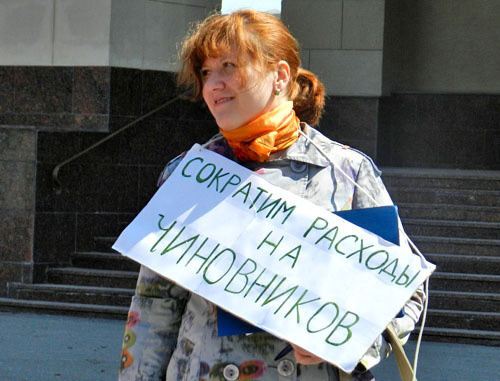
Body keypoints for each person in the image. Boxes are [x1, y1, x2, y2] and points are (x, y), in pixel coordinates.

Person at [118, 10, 425, 381]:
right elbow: (154, 305)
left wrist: (351, 343)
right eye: (205, 73)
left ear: (280, 76)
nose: (213, 85)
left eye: (228, 66)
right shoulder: (188, 174)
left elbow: (405, 289)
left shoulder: (346, 172)